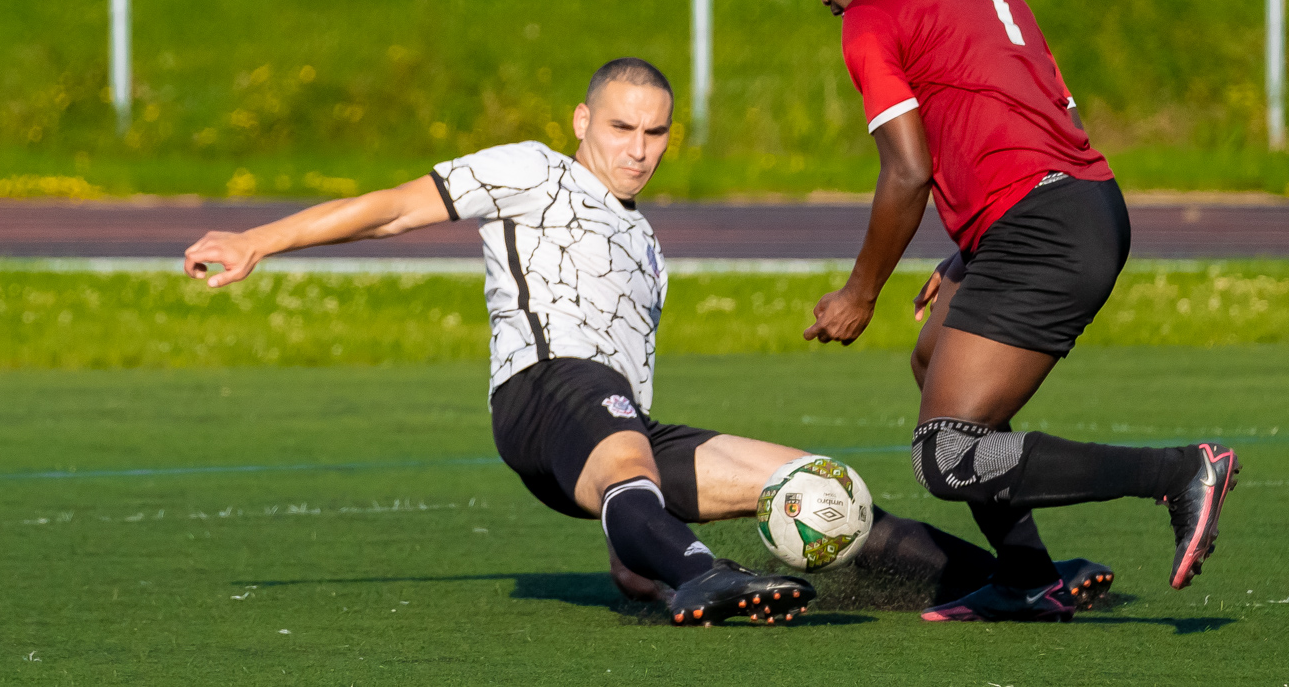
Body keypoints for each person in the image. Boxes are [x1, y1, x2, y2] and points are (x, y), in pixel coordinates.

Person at [183, 57, 1112, 625]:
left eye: (654, 132)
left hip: (615, 427)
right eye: (620, 126)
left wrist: (630, 543)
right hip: (546, 392)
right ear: (582, 122)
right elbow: (389, 210)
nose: (637, 146)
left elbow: (623, 429)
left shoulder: (644, 237)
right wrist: (258, 241)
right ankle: (700, 575)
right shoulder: (532, 172)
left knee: (822, 491)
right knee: (619, 429)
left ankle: (1009, 582)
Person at [792, 0, 1239, 623]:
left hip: (1046, 227)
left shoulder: (873, 11)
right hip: (1077, 205)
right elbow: (1020, 118)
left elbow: (907, 169)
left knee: (947, 454)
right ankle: (1027, 575)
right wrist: (972, 246)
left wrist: (860, 292)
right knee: (933, 359)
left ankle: (1181, 471)